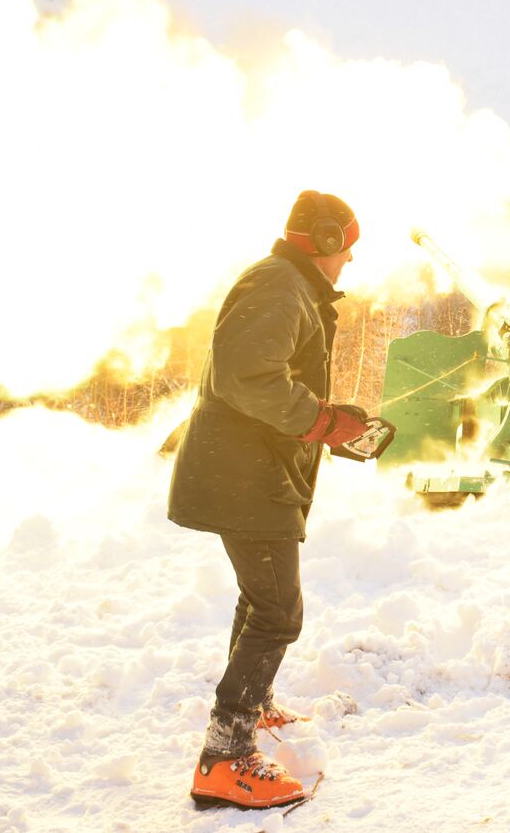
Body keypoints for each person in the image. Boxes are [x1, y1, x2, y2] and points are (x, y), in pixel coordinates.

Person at [168, 190, 373, 809]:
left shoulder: (290, 286)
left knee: (262, 599)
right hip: (244, 475)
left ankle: (249, 708)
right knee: (280, 612)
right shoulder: (279, 285)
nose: (349, 263)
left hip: (254, 470)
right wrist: (320, 420)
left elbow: (271, 382)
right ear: (328, 242)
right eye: (348, 249)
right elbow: (249, 377)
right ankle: (224, 759)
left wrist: (328, 425)